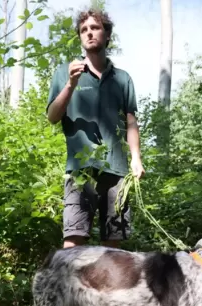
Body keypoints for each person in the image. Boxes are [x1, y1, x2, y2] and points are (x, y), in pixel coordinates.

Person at [46, 8, 145, 249]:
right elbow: (52, 116)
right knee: (73, 241)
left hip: (118, 171)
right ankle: (70, 288)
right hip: (80, 171)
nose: (89, 33)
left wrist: (136, 157)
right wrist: (71, 85)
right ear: (80, 37)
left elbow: (130, 121)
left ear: (107, 35)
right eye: (84, 30)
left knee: (114, 245)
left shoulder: (122, 79)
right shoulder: (64, 72)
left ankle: (109, 288)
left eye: (95, 28)